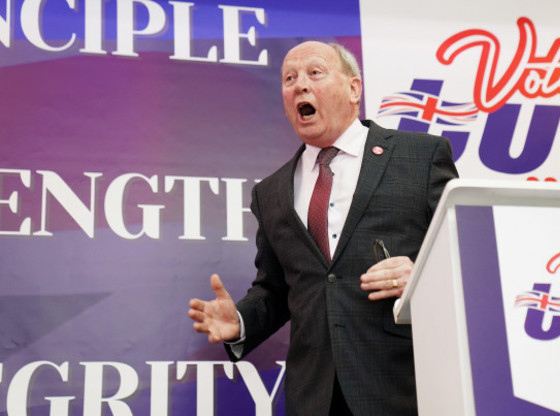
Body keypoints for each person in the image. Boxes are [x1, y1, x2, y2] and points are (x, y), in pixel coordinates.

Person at [188, 41, 458, 415]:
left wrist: (423, 276)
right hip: (314, 397)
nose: (300, 84)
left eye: (315, 72)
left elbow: (466, 255)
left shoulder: (421, 157)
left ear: (353, 88)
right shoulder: (271, 193)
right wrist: (241, 320)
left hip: (406, 388)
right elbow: (278, 288)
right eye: (289, 78)